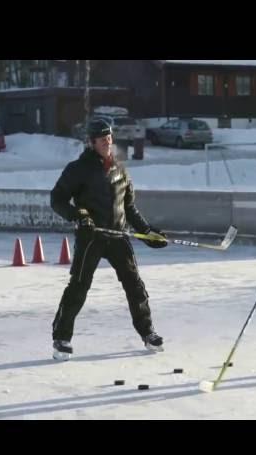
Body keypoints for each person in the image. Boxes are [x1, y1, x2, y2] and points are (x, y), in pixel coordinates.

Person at [49, 118, 167, 361]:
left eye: (110, 139)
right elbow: (57, 199)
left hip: (118, 236)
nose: (107, 143)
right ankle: (62, 338)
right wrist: (78, 215)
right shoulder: (78, 169)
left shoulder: (120, 169)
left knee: (135, 285)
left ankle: (148, 333)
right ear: (92, 142)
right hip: (91, 237)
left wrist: (148, 232)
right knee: (79, 286)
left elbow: (130, 208)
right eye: (102, 140)